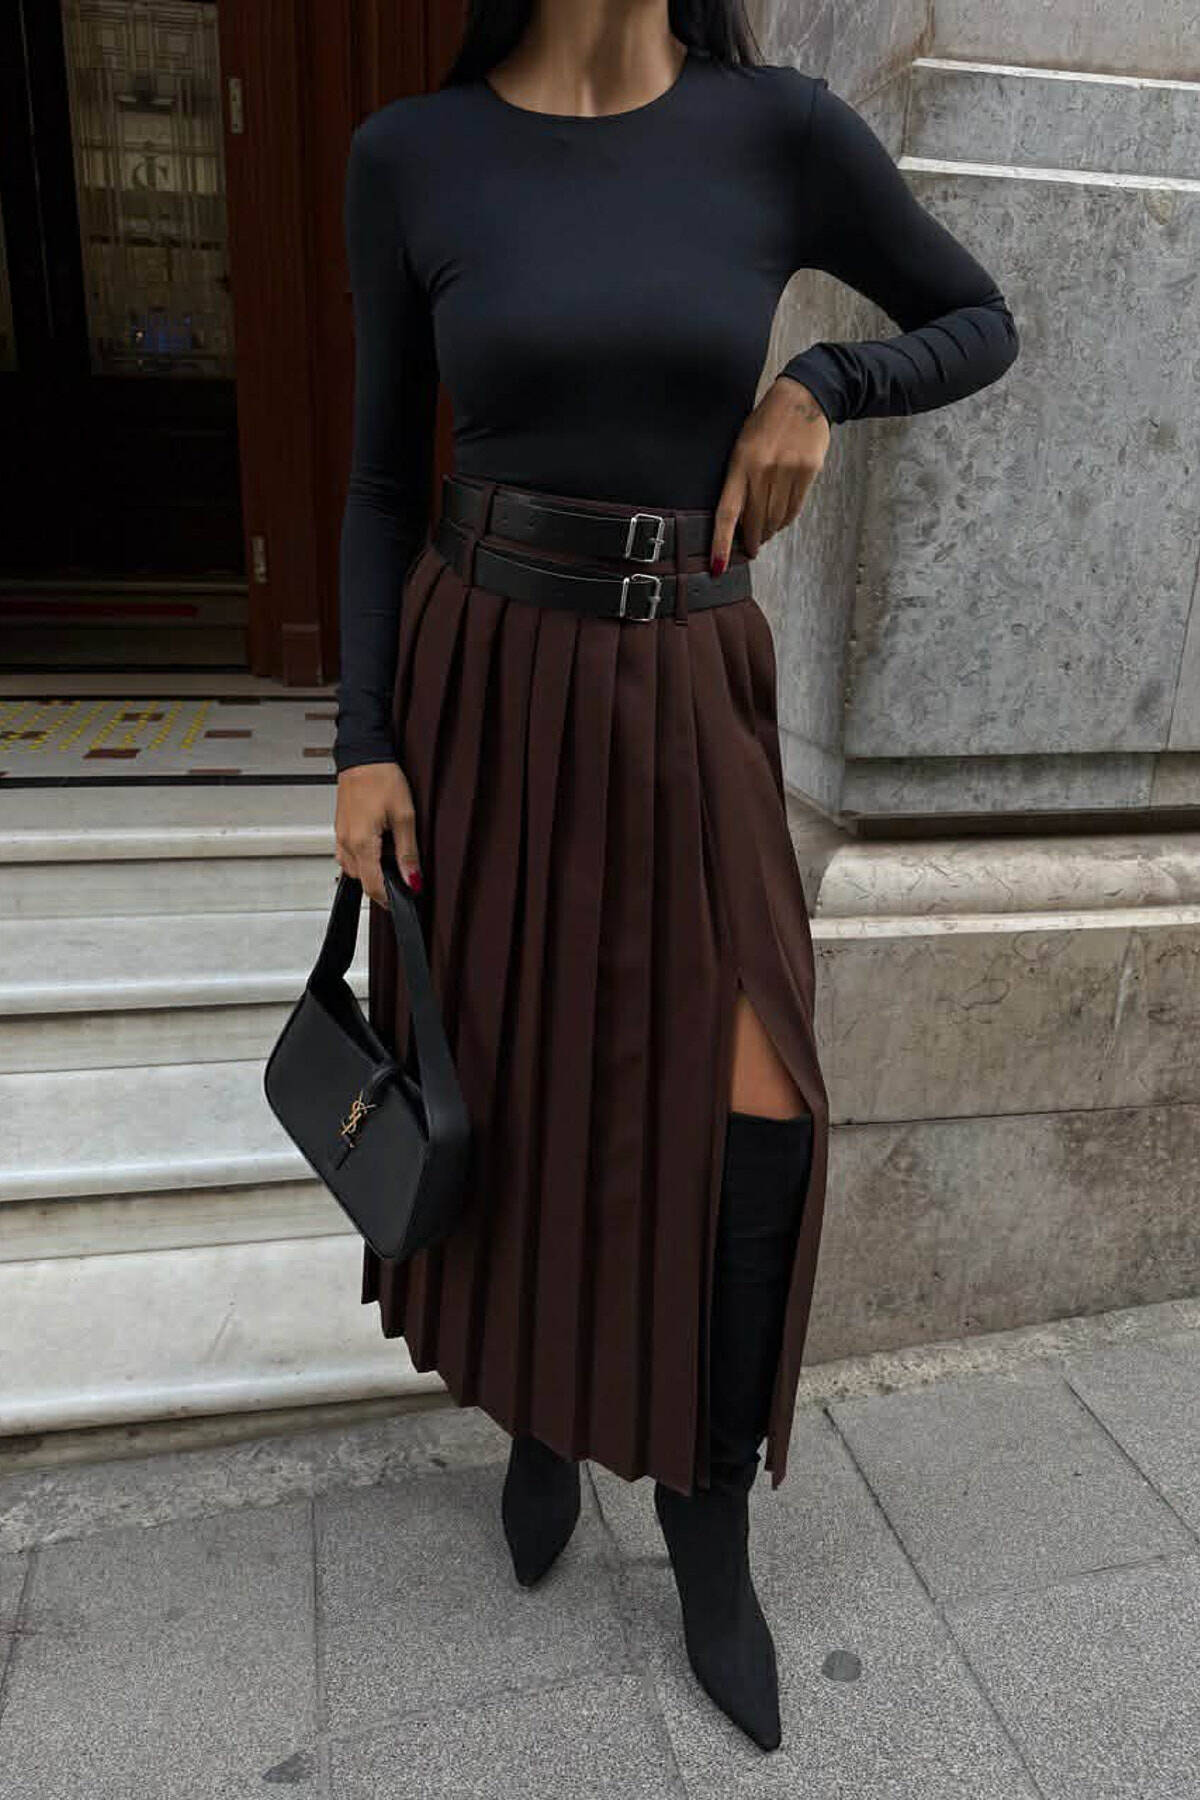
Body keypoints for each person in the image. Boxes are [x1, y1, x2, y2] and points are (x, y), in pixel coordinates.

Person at [333, 0, 1019, 1753]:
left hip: (688, 682)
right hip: (481, 690)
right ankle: (538, 1413)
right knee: (517, 1074)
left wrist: (819, 384)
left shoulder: (778, 130)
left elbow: (979, 318)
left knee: (756, 1103)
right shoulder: (414, 155)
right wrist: (362, 742)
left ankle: (711, 1527)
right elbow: (380, 482)